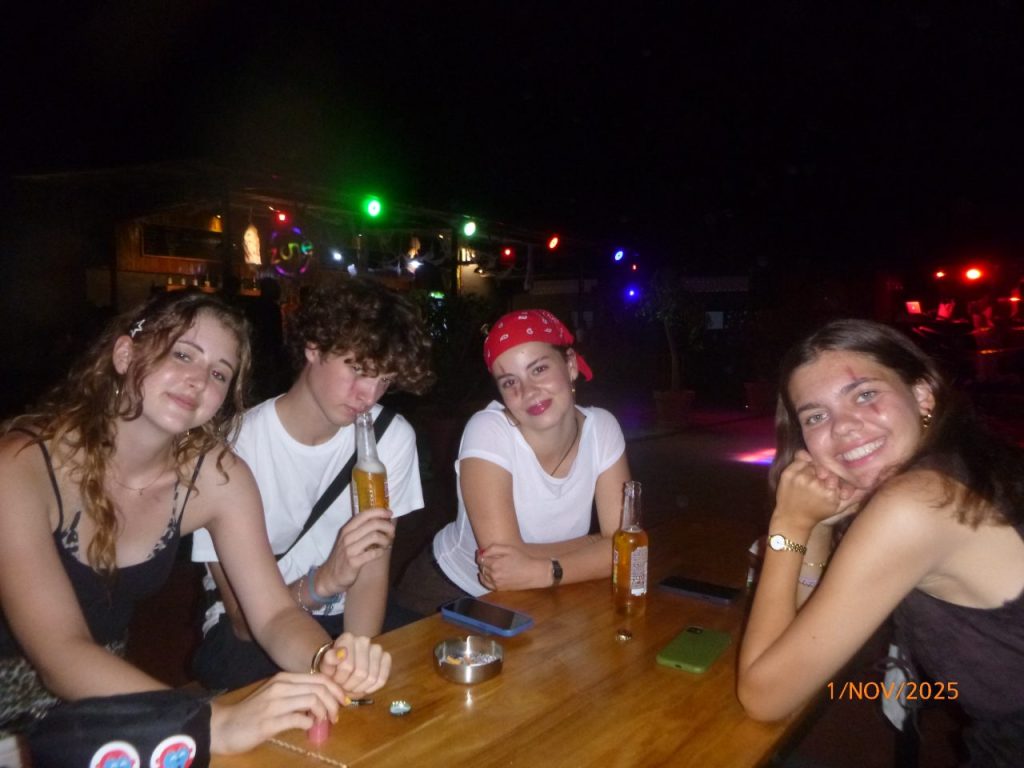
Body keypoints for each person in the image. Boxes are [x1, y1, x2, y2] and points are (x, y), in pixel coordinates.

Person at [0, 290, 391, 755]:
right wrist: (209, 721)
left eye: (219, 373)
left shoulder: (216, 476)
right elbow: (60, 653)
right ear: (124, 355)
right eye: (183, 354)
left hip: (101, 711)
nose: (198, 380)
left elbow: (274, 614)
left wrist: (326, 659)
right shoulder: (21, 467)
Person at [737, 318, 1024, 766]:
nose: (843, 427)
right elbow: (799, 635)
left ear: (922, 395)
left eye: (865, 395)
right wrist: (817, 526)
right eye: (816, 416)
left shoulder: (917, 504)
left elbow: (765, 695)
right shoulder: (962, 463)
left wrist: (787, 527)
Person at [191, 276, 434, 690]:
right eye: (358, 370)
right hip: (249, 633)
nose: (368, 395)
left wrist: (356, 659)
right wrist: (324, 581)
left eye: (384, 380)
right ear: (314, 347)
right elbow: (243, 621)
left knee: (424, 679)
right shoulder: (231, 448)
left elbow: (371, 574)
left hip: (345, 616)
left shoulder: (389, 438)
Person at [395, 309, 631, 616]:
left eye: (539, 369)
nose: (528, 391)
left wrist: (546, 570)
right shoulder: (488, 431)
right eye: (509, 382)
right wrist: (599, 545)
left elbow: (627, 549)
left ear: (570, 364)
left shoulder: (602, 428)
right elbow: (503, 566)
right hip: (448, 596)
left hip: (548, 591)